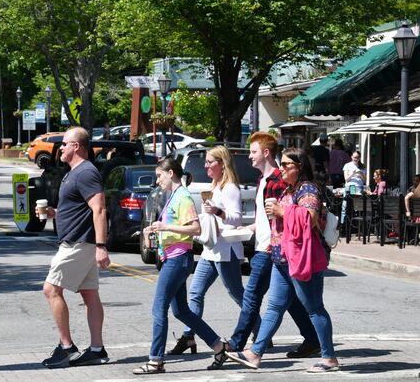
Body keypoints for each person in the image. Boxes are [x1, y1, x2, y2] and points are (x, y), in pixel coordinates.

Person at [226, 148, 339, 373]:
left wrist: (281, 211)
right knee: (274, 307)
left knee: (314, 308)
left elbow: (309, 218)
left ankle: (329, 357)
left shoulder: (308, 189)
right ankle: (255, 353)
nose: (283, 168)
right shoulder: (289, 189)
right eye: (282, 164)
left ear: (299, 167)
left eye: (287, 164)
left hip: (301, 259)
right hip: (281, 257)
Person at [134, 157, 226, 374]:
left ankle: (156, 361)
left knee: (159, 308)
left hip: (178, 259)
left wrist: (165, 227)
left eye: (159, 176)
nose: (157, 181)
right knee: (181, 311)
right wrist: (157, 229)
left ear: (171, 173)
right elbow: (175, 226)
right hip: (174, 258)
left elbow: (195, 229)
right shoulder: (174, 195)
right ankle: (219, 347)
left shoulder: (183, 197)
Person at [168, 146, 257, 355]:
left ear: (222, 164)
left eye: (210, 162)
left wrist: (218, 211)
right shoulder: (215, 186)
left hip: (226, 250)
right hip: (210, 249)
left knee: (237, 293)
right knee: (195, 292)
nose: (206, 166)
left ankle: (260, 331)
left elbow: (236, 219)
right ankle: (189, 336)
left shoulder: (230, 188)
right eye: (206, 162)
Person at [41, 127, 111, 368]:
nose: (60, 147)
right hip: (79, 241)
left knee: (51, 290)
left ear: (76, 146)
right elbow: (80, 208)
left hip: (79, 243)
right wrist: (56, 213)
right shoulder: (74, 172)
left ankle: (66, 347)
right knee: (89, 294)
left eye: (64, 143)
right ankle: (97, 350)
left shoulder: (86, 172)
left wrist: (101, 246)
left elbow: (99, 209)